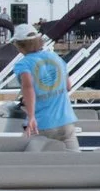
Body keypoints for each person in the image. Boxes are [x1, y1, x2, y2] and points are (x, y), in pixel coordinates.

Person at [8, 22, 78, 150]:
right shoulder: (56, 57)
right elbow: (67, 86)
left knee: (27, 162)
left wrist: (31, 116)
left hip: (41, 122)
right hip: (65, 120)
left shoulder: (23, 64)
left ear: (19, 45)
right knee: (74, 162)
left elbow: (28, 88)